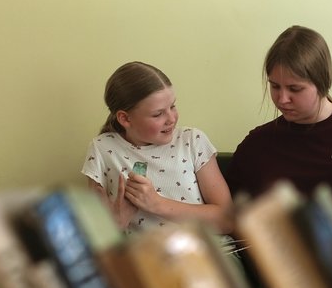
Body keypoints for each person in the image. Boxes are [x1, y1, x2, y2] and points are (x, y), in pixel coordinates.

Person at [226, 26, 332, 231]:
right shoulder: (257, 145)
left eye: (295, 88)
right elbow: (230, 215)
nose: (282, 99)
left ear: (322, 82)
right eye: (275, 86)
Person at [81, 61, 234, 235]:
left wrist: (157, 203)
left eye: (172, 106)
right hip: (144, 252)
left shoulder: (192, 141)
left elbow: (227, 221)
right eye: (158, 114)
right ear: (125, 119)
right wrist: (118, 222)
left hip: (203, 248)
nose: (171, 118)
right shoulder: (102, 149)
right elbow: (97, 237)